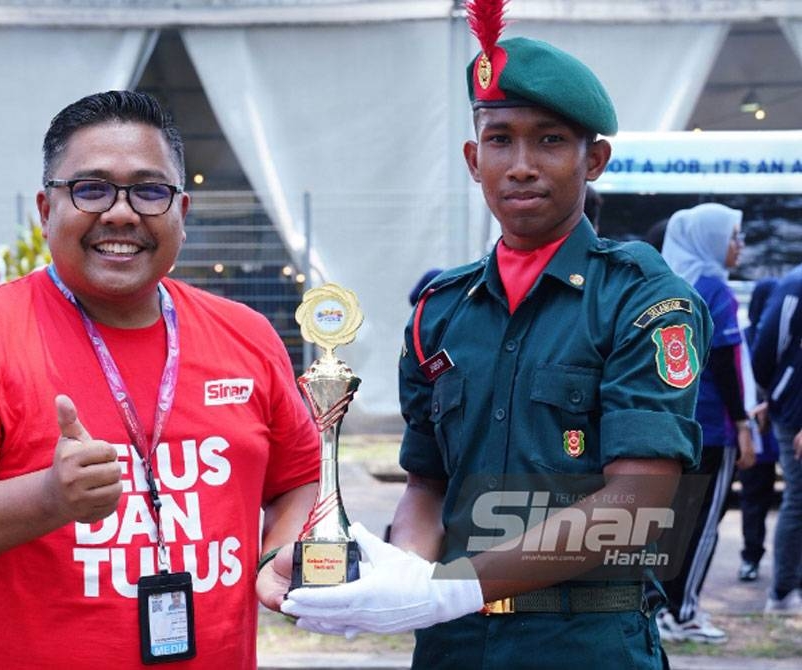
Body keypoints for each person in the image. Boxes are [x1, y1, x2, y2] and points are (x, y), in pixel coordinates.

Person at [282, 2, 711, 668]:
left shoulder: (641, 298)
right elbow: (426, 484)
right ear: (471, 158)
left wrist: (447, 590)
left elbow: (639, 498)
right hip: (455, 647)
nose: (521, 164)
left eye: (549, 140)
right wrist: (393, 574)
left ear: (592, 158)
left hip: (587, 645)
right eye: (500, 139)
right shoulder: (439, 311)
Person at [0, 90, 320, 669]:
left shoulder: (247, 335)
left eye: (149, 190)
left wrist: (277, 555)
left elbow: (301, 476)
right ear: (44, 209)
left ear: (180, 213)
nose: (121, 212)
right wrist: (47, 498)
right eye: (91, 189)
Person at [655, 203, 756, 643]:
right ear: (712, 240)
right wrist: (743, 423)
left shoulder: (666, 283)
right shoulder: (715, 289)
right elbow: (726, 365)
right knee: (705, 522)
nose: (740, 245)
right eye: (735, 236)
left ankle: (660, 608)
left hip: (671, 422)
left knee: (672, 521)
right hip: (712, 425)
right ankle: (684, 613)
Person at [751, 263, 802, 614]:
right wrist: (775, 396)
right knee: (798, 501)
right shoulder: (796, 285)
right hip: (794, 414)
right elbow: (766, 350)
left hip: (788, 407)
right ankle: (783, 592)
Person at [737, 278, 780, 582]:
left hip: (784, 430)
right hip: (758, 432)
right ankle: (751, 556)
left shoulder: (789, 337)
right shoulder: (743, 339)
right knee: (754, 498)